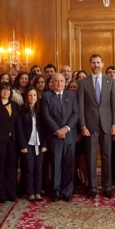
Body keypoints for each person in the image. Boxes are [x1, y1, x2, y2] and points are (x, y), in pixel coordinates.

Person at [78, 54, 115, 199]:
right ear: (90, 65)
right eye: (93, 62)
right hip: (90, 126)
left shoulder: (110, 82)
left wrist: (114, 124)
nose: (96, 65)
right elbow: (81, 107)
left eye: (98, 63)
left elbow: (114, 105)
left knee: (107, 157)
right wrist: (82, 126)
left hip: (107, 125)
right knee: (91, 157)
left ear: (102, 64)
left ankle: (107, 187)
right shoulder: (83, 83)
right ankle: (92, 187)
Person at [42, 73, 79, 202]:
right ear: (52, 83)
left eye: (61, 81)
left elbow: (76, 113)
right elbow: (46, 115)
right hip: (54, 136)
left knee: (68, 165)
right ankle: (56, 191)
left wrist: (66, 128)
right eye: (56, 81)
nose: (59, 83)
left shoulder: (72, 95)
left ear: (65, 83)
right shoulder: (46, 96)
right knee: (56, 165)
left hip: (69, 136)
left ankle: (67, 191)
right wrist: (57, 130)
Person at [0, 81, 19, 203]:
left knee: (12, 167)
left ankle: (11, 193)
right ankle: (0, 194)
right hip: (0, 141)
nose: (5, 92)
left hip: (13, 141)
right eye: (3, 89)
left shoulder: (15, 105)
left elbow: (17, 124)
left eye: (8, 90)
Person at [17, 87, 47, 202]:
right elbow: (19, 129)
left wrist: (44, 144)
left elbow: (45, 129)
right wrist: (23, 145)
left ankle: (37, 191)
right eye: (30, 95)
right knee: (29, 168)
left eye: (34, 95)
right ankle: (30, 192)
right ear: (26, 97)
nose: (32, 98)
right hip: (27, 144)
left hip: (39, 143)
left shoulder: (41, 110)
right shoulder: (21, 110)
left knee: (38, 168)